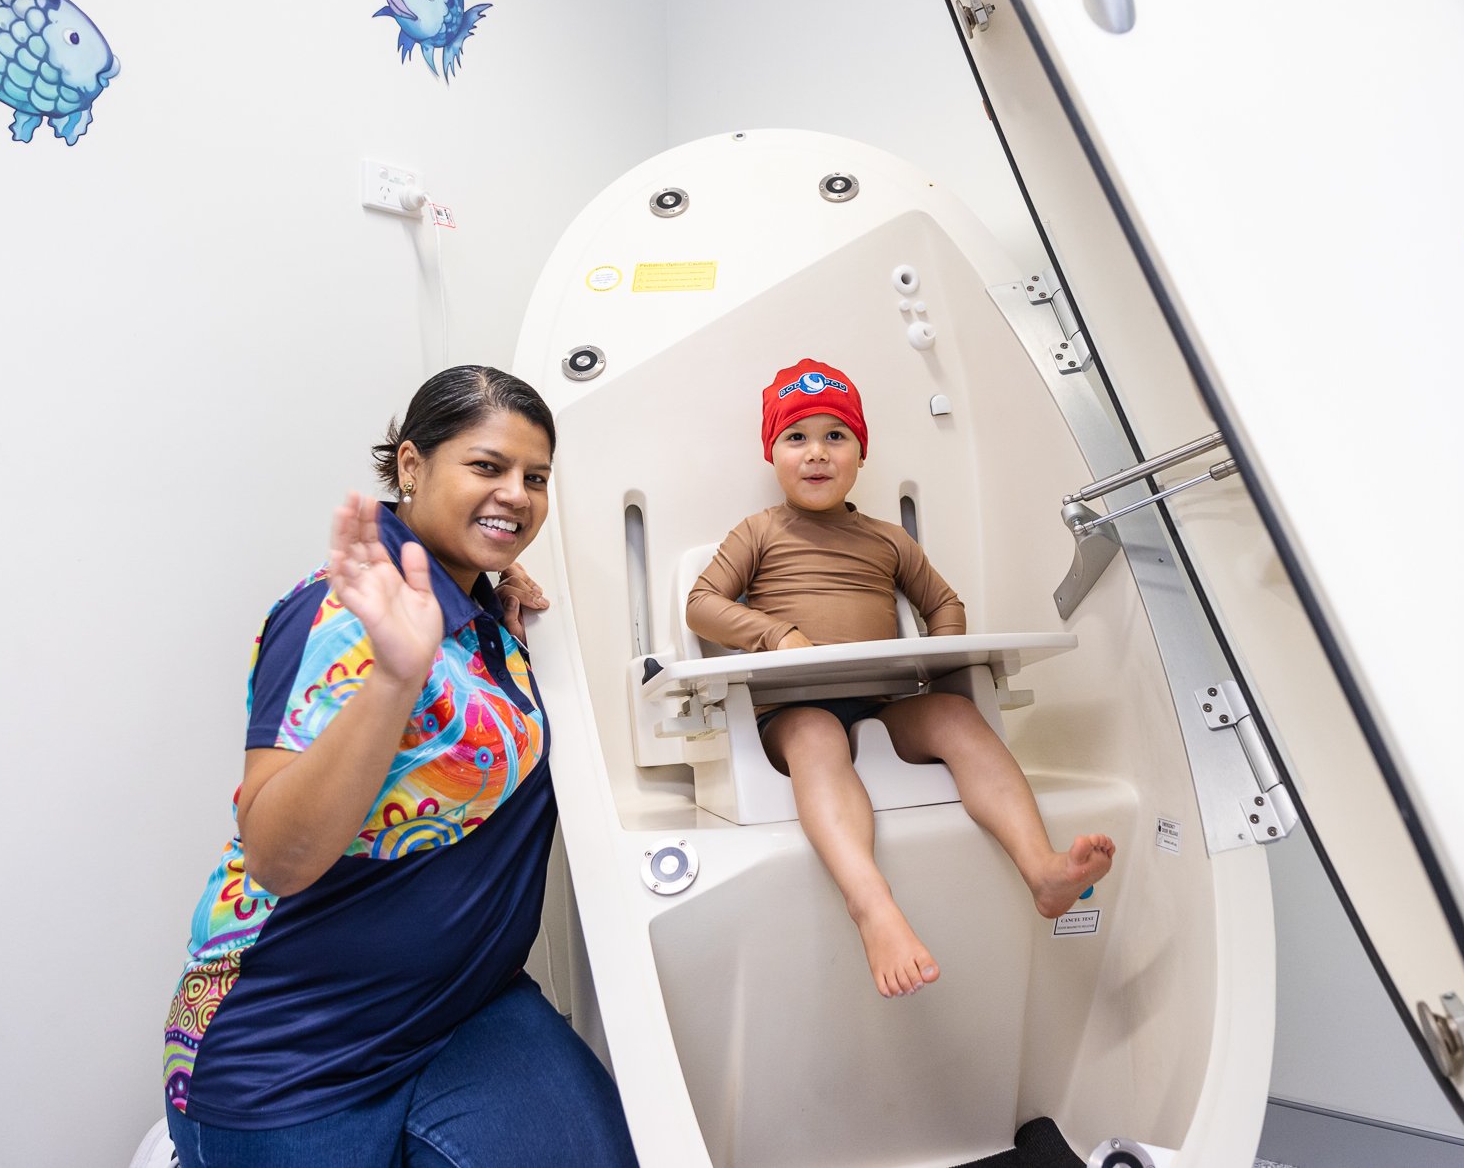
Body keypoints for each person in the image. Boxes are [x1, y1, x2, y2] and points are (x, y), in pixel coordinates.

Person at [161, 365, 638, 1167]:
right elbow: (277, 856)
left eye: (536, 477)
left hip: (464, 1008)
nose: (517, 494)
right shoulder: (343, 614)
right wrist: (394, 676)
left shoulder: (482, 613)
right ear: (412, 465)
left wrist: (512, 630)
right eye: (486, 466)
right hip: (296, 1050)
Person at [686, 359, 1116, 1000]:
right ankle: (873, 910)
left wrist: (938, 660)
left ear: (862, 452)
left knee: (956, 716)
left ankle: (1043, 869)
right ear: (772, 453)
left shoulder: (888, 541)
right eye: (796, 438)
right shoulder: (759, 532)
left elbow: (945, 604)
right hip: (792, 708)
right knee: (814, 737)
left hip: (886, 699)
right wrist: (779, 635)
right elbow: (702, 604)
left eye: (837, 436)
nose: (817, 454)